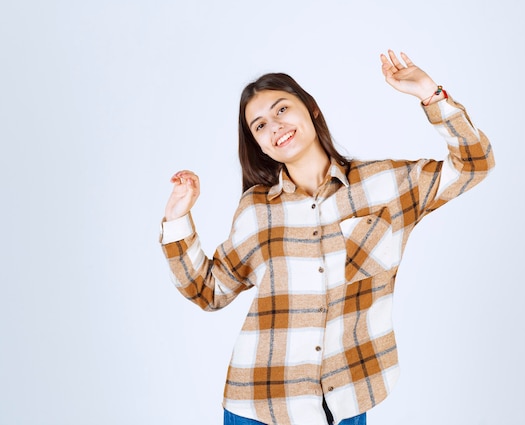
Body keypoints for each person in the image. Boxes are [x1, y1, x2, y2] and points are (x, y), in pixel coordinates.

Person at [159, 50, 495, 425]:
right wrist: (177, 218)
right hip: (258, 405)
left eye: (281, 109)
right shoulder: (256, 209)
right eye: (259, 125)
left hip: (345, 401)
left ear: (311, 110)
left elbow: (474, 164)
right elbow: (208, 291)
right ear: (259, 144)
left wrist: (429, 93)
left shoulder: (385, 184)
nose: (274, 126)